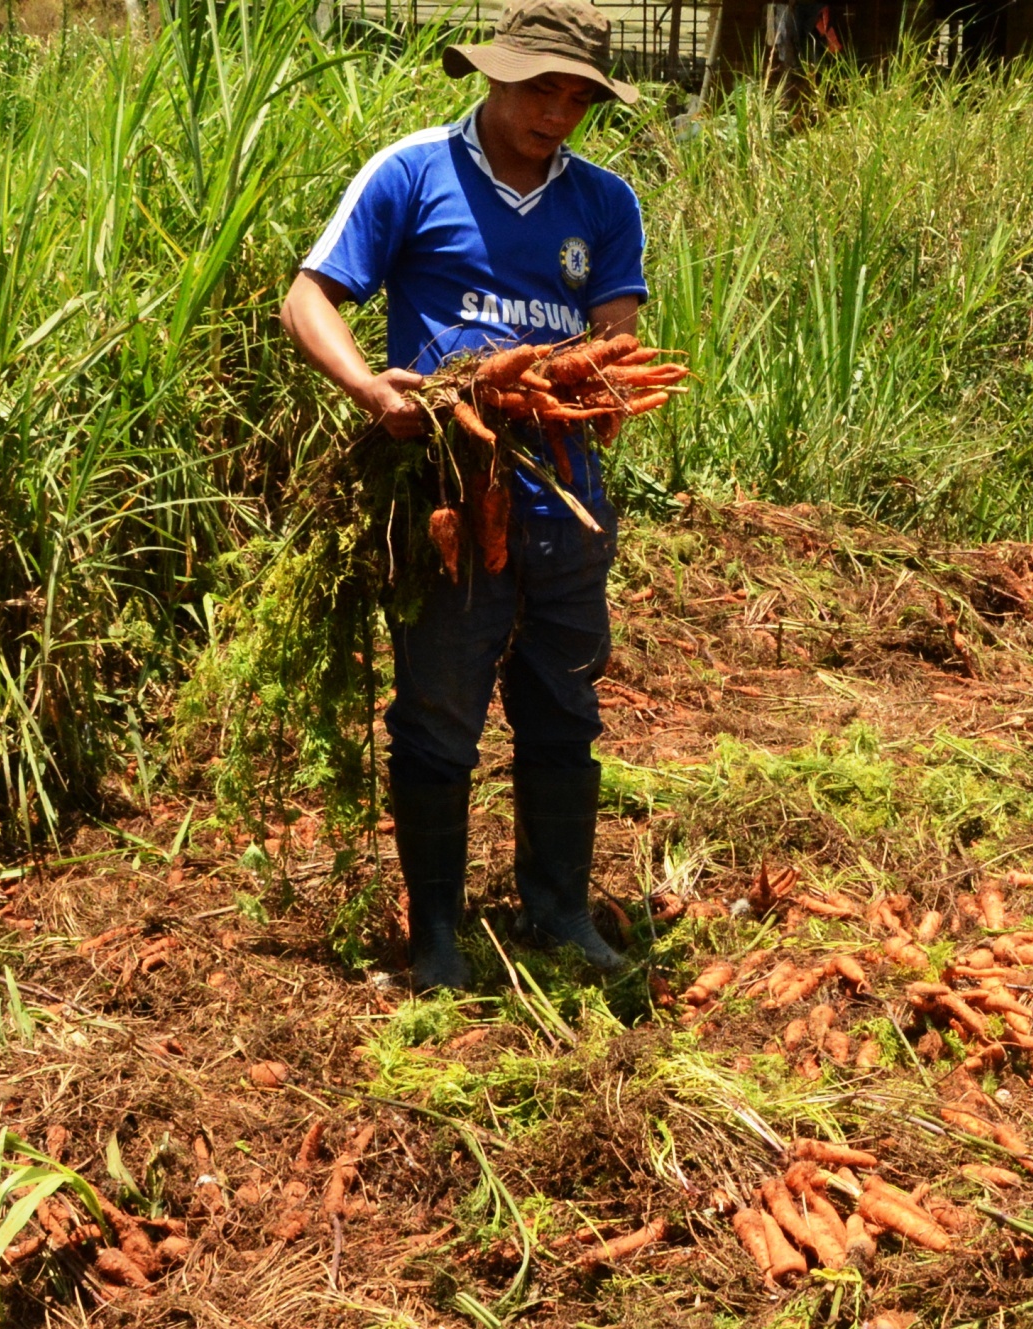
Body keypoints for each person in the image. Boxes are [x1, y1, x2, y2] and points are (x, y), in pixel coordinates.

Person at [278, 0, 646, 991]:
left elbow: (617, 325)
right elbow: (307, 296)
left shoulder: (605, 204)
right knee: (438, 710)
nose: (556, 112)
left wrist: (589, 377)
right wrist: (367, 386)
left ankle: (559, 909)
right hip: (447, 494)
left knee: (564, 706)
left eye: (577, 96)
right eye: (540, 89)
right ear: (493, 75)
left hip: (565, 499)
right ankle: (436, 929)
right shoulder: (411, 173)